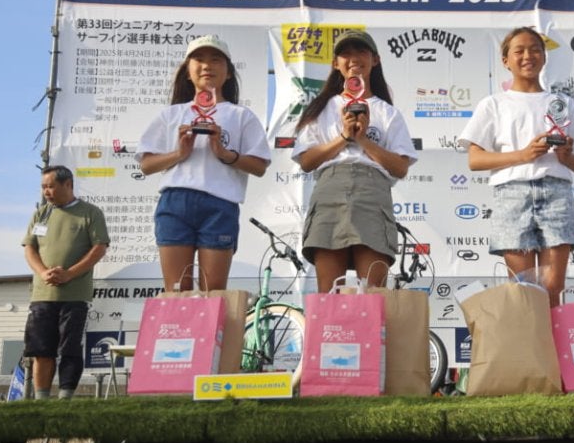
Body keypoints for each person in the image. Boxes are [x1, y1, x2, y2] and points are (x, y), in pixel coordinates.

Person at [458, 27, 574, 307]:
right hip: (512, 195)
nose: (528, 56)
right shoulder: (493, 104)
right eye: (519, 51)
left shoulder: (563, 103)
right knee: (522, 288)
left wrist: (566, 155)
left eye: (535, 50)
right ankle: (528, 336)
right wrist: (523, 155)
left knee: (553, 286)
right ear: (505, 60)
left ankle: (552, 337)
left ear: (544, 57)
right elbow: (475, 160)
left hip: (557, 194)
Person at [137, 35, 270, 292]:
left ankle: (213, 323)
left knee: (214, 290)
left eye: (216, 60)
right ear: (187, 71)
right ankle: (177, 322)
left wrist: (224, 153)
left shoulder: (241, 115)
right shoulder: (171, 114)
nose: (207, 66)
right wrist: (179, 153)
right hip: (175, 202)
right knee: (177, 289)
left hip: (220, 204)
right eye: (198, 59)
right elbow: (146, 164)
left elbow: (259, 166)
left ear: (228, 73)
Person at [292, 30, 417, 293]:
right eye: (345, 54)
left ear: (375, 59)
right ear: (335, 63)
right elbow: (307, 161)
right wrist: (344, 137)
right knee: (329, 292)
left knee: (373, 291)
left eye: (361, 52)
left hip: (372, 192)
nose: (353, 59)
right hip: (330, 188)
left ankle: (370, 323)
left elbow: (400, 167)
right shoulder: (321, 108)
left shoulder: (388, 112)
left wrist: (363, 140)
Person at [22, 165, 109, 399]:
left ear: (68, 184)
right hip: (42, 295)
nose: (46, 191)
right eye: (43, 187)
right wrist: (43, 272)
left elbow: (99, 248)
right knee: (41, 349)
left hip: (75, 295)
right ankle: (41, 398)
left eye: (50, 186)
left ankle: (65, 398)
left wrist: (70, 273)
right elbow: (29, 248)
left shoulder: (90, 212)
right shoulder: (41, 214)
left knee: (70, 348)